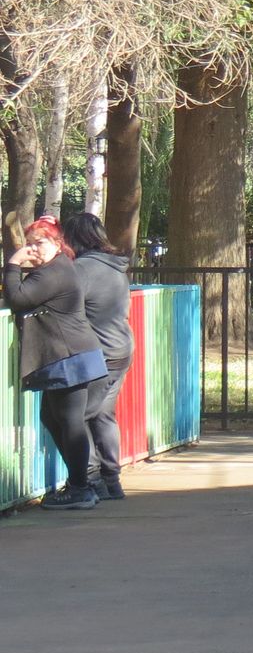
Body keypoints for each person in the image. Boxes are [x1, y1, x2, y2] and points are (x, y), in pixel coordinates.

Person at [4, 216, 109, 510]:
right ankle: (83, 483)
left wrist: (13, 263)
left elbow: (18, 299)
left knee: (70, 421)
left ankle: (81, 488)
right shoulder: (58, 267)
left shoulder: (53, 273)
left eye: (40, 243)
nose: (33, 249)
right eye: (30, 244)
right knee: (53, 418)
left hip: (69, 356)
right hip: (68, 355)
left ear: (56, 243)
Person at [62, 213, 134, 500]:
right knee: (103, 414)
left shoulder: (81, 269)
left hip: (98, 353)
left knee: (80, 416)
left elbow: (64, 305)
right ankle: (111, 480)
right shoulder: (115, 266)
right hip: (120, 348)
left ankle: (89, 478)